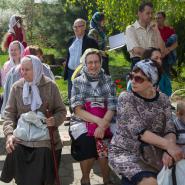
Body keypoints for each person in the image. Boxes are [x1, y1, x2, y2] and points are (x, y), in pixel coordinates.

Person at [109, 59, 183, 185]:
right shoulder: (126, 98)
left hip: (155, 153)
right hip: (127, 152)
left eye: (139, 79)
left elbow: (169, 129)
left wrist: (167, 150)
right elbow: (140, 132)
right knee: (150, 182)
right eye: (131, 76)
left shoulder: (163, 99)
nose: (132, 81)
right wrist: (168, 146)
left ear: (151, 82)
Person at [0, 55, 67, 185]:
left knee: (43, 152)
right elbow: (9, 114)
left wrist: (54, 120)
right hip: (23, 135)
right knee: (15, 149)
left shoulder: (50, 86)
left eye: (27, 70)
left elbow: (61, 110)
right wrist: (9, 134)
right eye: (22, 69)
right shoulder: (17, 87)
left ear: (36, 69)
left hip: (45, 135)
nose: (23, 73)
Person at [70, 48, 117, 185]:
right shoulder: (78, 82)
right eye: (90, 62)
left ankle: (106, 179)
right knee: (87, 142)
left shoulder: (108, 80)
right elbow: (77, 110)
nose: (93, 65)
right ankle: (85, 178)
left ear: (101, 62)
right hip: (83, 120)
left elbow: (112, 106)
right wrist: (99, 123)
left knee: (105, 141)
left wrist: (103, 124)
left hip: (106, 118)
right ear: (85, 63)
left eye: (96, 62)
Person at [1, 45, 55, 118]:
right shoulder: (15, 73)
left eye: (40, 56)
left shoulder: (45, 69)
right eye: (38, 56)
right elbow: (10, 107)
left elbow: (56, 104)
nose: (41, 59)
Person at [64, 18, 98, 102]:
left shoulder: (91, 41)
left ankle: (83, 114)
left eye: (78, 26)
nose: (76, 29)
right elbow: (69, 55)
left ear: (84, 27)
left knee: (83, 97)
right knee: (71, 96)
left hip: (83, 73)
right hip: (71, 72)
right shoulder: (71, 40)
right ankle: (73, 113)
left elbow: (97, 58)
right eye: (74, 27)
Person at [125, 2, 165, 69]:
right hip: (139, 65)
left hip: (155, 66)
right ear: (139, 14)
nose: (150, 16)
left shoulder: (154, 29)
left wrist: (157, 31)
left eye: (151, 13)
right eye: (148, 13)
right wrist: (155, 56)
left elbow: (162, 50)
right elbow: (137, 50)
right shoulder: (131, 29)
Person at [156, 11, 178, 76]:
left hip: (167, 55)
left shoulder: (169, 29)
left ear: (164, 18)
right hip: (157, 54)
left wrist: (167, 50)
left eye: (159, 18)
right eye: (156, 18)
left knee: (174, 37)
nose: (157, 20)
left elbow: (176, 44)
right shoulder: (154, 29)